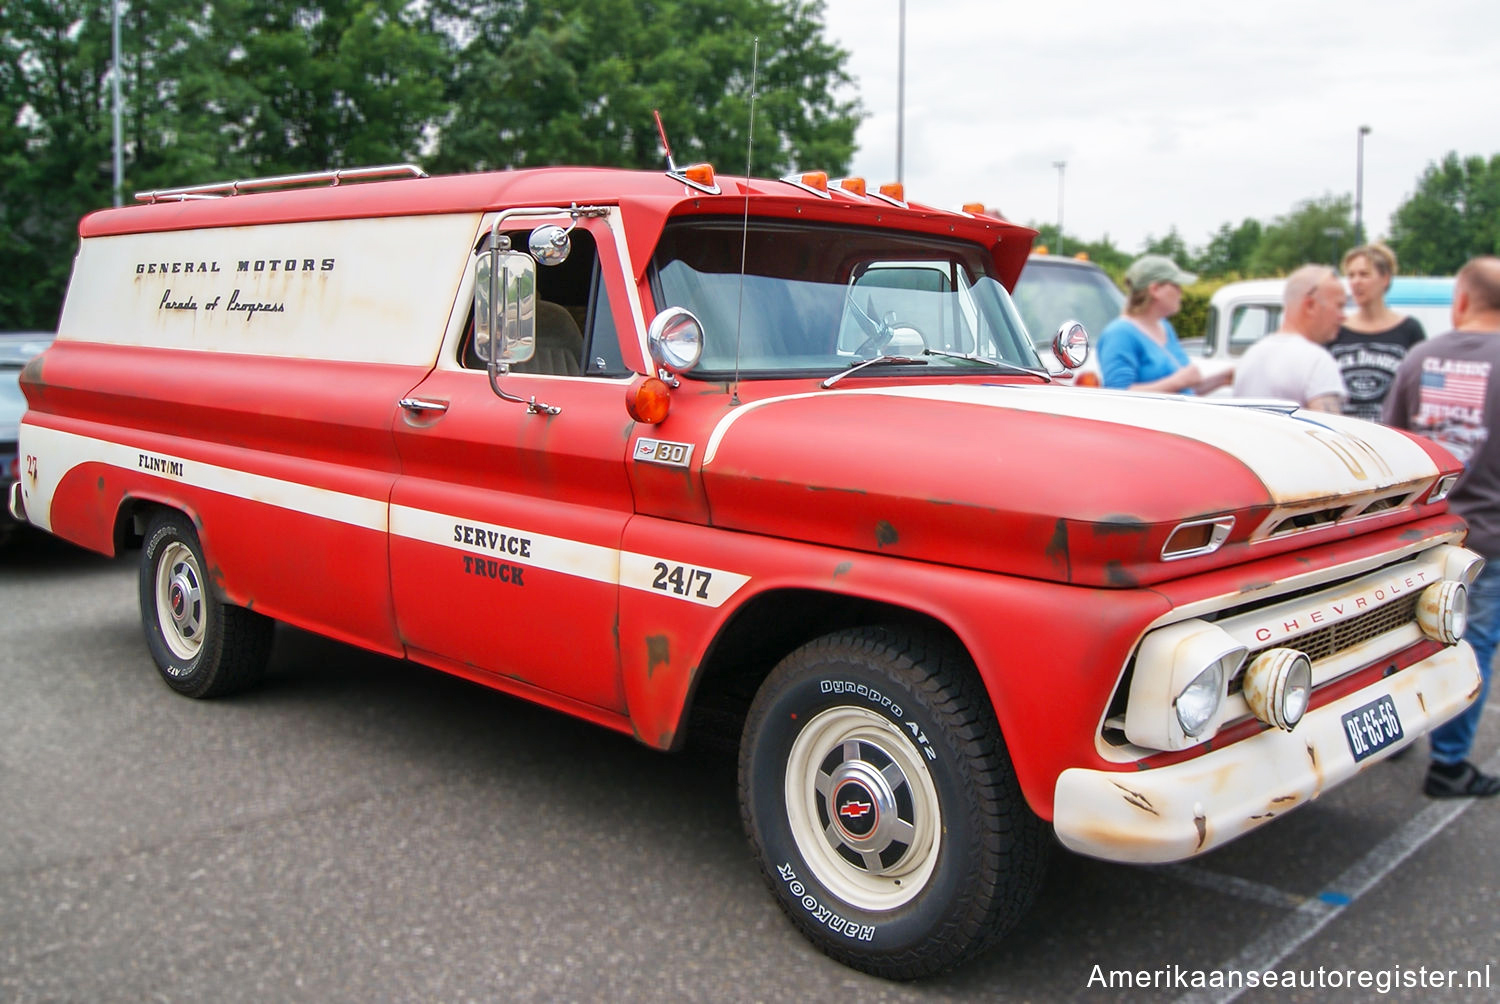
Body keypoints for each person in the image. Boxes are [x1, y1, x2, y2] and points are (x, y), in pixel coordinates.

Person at [1383, 256, 1500, 798]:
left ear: (1460, 300)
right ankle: (1448, 764)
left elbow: (1393, 445)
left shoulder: (1421, 357)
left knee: (1403, 637)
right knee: (1470, 644)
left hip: (1426, 533)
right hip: (1490, 537)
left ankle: (1393, 731)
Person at [1097, 255, 1231, 394]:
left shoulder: (1165, 327)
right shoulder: (1119, 334)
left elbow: (1184, 391)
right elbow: (1118, 395)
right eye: (1176, 285)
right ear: (1155, 289)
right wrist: (1178, 381)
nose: (1181, 292)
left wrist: (1224, 379)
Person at [1330, 243, 1426, 421]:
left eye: (1364, 274)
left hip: (1390, 434)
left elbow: (1420, 389)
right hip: (1345, 435)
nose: (1356, 282)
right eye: (1351, 275)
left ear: (1385, 279)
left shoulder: (1409, 329)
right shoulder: (1336, 329)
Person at [1231, 264, 1347, 411]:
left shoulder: (1250, 356)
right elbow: (1328, 431)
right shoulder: (1317, 362)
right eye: (1339, 306)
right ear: (1310, 305)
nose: (1343, 316)